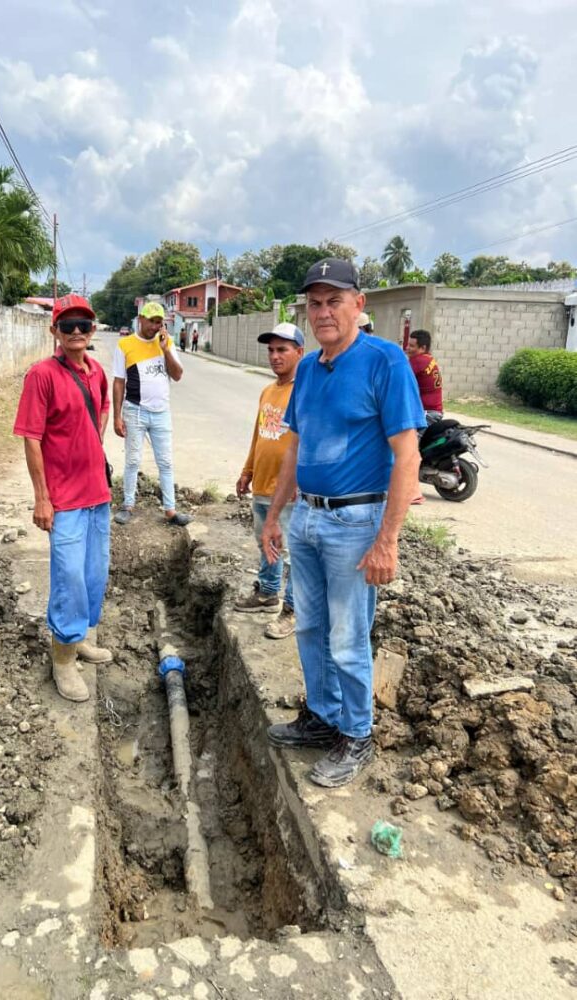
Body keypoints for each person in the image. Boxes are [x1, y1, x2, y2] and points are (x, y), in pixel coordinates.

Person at [261, 258, 424, 788]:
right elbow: (297, 447)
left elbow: (407, 457)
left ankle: (357, 733)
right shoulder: (307, 368)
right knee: (309, 626)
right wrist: (278, 515)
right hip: (307, 516)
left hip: (357, 521)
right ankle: (323, 716)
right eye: (315, 303)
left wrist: (387, 541)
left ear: (359, 304)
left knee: (349, 637)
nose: (324, 311)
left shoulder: (386, 362)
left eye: (335, 301)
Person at [14, 293, 113, 703]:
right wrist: (42, 497)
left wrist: (91, 447)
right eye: (67, 325)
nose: (76, 332)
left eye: (83, 325)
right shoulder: (42, 375)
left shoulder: (98, 372)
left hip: (98, 495)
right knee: (69, 578)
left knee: (93, 574)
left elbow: (103, 410)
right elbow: (31, 438)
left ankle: (81, 639)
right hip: (65, 500)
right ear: (53, 330)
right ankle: (63, 659)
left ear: (93, 330)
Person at [235, 323, 304, 640]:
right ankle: (267, 593)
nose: (275, 356)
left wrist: (300, 482)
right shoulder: (268, 391)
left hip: (288, 491)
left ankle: (293, 612)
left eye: (282, 350)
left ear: (299, 353)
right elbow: (258, 434)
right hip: (262, 486)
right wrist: (247, 469)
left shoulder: (304, 391)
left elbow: (309, 442)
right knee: (267, 545)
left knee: (291, 553)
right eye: (271, 350)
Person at [112, 302, 192, 527]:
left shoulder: (167, 343)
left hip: (161, 412)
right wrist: (117, 416)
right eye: (152, 321)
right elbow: (119, 382)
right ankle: (127, 505)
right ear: (141, 320)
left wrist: (166, 349)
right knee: (133, 460)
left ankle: (170, 510)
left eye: (159, 322)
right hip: (134, 410)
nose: (155, 326)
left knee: (166, 462)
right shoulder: (125, 345)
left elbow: (177, 375)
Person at [406, 329, 443, 423]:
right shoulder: (429, 359)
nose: (407, 348)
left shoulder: (418, 361)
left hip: (426, 414)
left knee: (403, 436)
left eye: (411, 346)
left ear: (422, 348)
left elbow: (397, 378)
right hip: (435, 411)